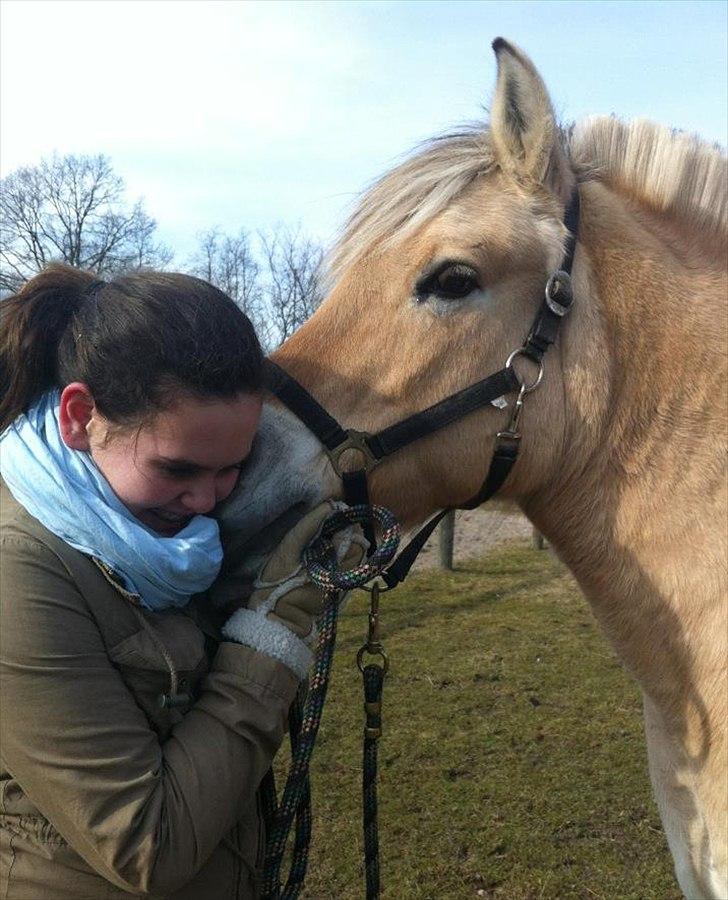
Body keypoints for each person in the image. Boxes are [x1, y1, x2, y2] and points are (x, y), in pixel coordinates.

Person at [0, 264, 364, 899]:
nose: (206, 501)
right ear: (81, 417)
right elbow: (147, 846)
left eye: (234, 468)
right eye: (177, 469)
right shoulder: (19, 572)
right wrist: (270, 631)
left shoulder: (162, 541)